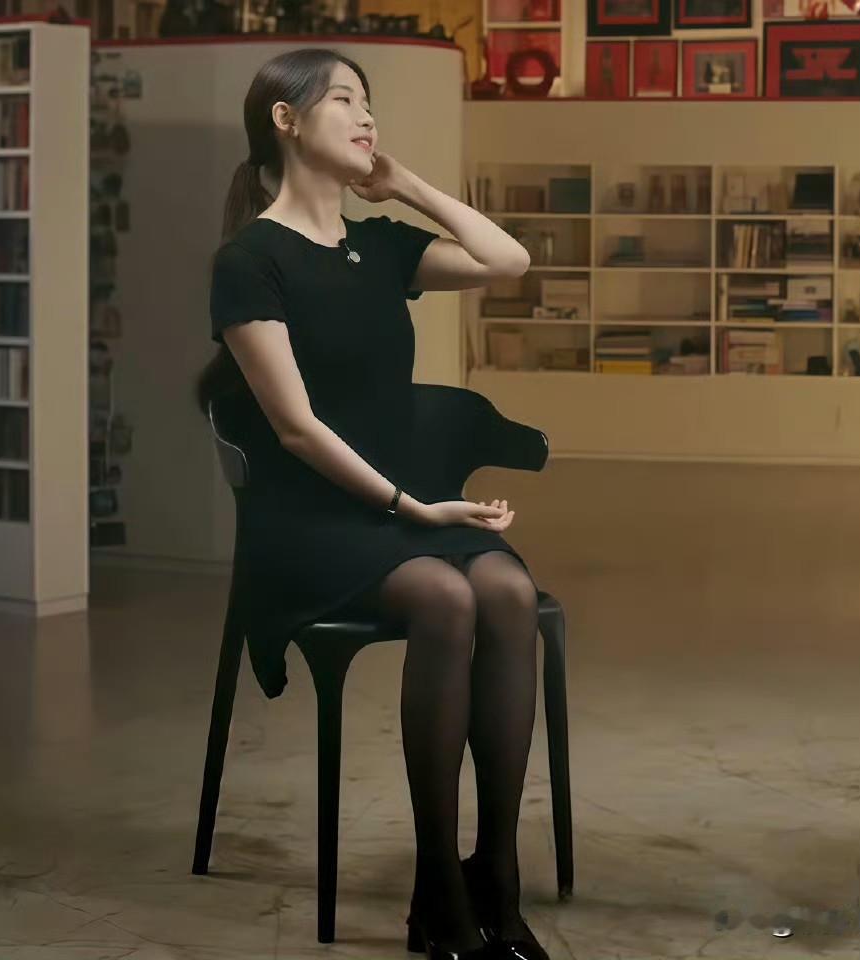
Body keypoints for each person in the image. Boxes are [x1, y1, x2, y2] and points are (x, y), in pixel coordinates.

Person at [197, 48, 550, 960]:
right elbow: (297, 430)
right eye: (344, 100)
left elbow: (508, 260)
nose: (366, 117)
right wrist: (415, 508)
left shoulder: (382, 246)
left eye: (369, 102)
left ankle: (496, 877)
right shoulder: (249, 261)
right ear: (285, 120)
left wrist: (408, 187)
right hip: (309, 521)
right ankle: (438, 892)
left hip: (399, 513)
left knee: (507, 592)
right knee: (445, 595)